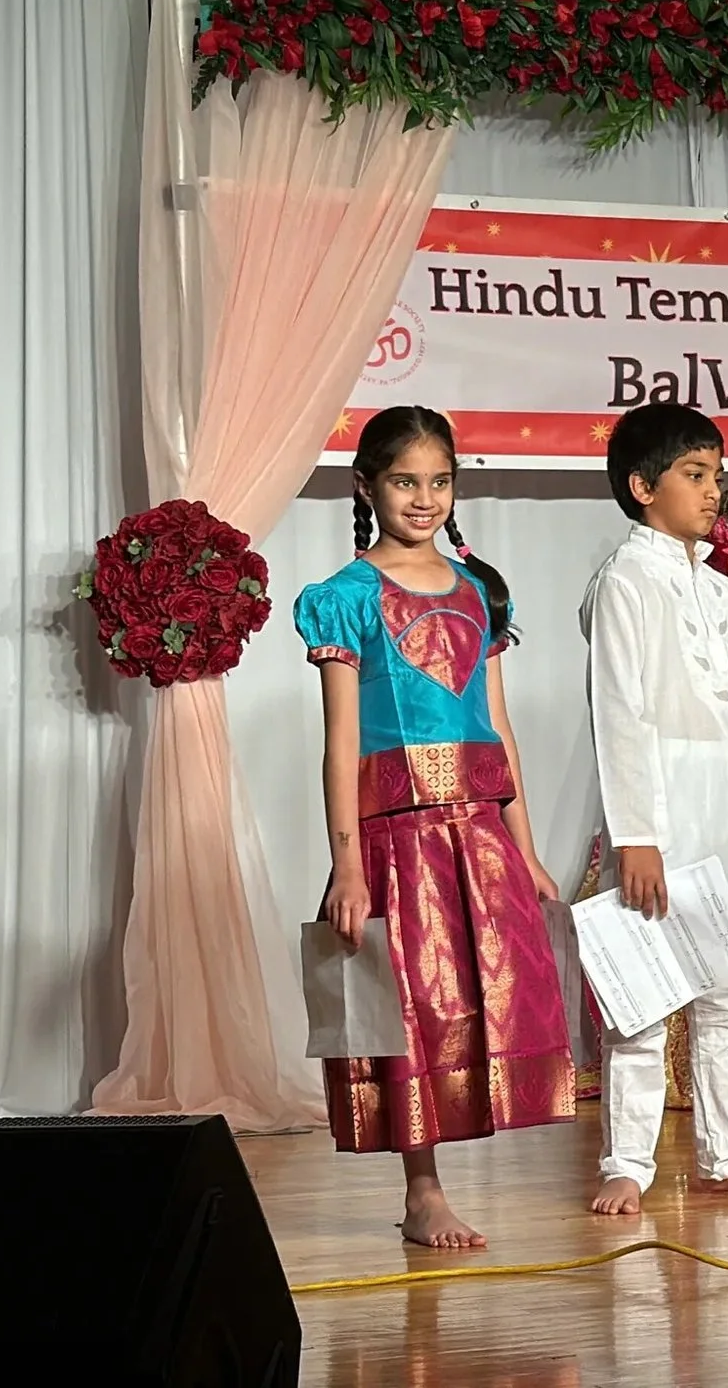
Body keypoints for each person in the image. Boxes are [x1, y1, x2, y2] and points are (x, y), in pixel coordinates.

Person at [294, 405, 576, 1249]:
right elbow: (341, 743)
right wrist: (345, 866)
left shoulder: (477, 591)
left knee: (482, 995)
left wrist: (523, 849)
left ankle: (464, 1153)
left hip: (480, 832)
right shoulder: (345, 599)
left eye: (440, 482)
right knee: (408, 1010)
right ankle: (423, 1192)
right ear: (367, 486)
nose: (424, 499)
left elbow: (499, 723)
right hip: (397, 838)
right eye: (405, 481)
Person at [582, 401, 728, 1216]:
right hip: (660, 818)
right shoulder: (624, 581)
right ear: (643, 487)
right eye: (695, 475)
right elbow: (621, 713)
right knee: (641, 1001)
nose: (714, 492)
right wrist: (636, 835)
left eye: (718, 474)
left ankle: (726, 1151)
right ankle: (628, 1162)